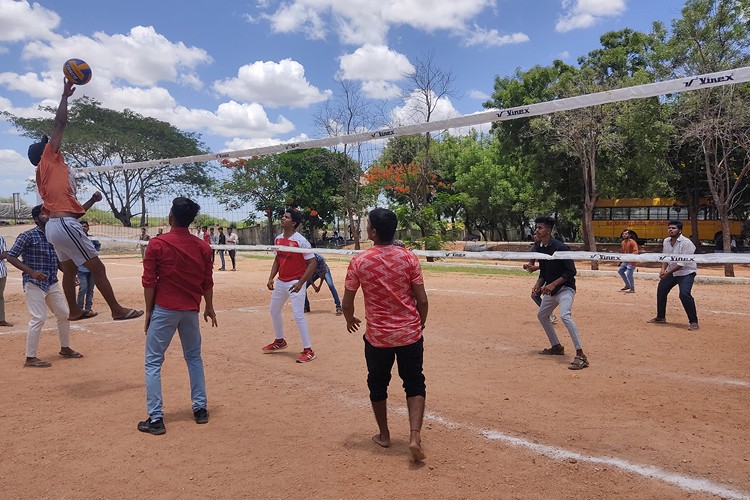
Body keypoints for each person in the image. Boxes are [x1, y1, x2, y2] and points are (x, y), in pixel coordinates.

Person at [28, 77, 142, 322]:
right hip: (64, 226)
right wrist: (64, 96)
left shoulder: (44, 175)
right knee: (97, 268)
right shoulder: (50, 159)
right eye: (49, 145)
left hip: (56, 227)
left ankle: (75, 311)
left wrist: (90, 201)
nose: (54, 144)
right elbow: (60, 123)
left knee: (69, 270)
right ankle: (116, 310)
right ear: (45, 152)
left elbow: (75, 213)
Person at [342, 208, 429, 462]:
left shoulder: (360, 261)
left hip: (378, 336)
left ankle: (384, 434)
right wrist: (418, 325)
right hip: (409, 333)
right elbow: (422, 301)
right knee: (414, 381)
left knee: (377, 383)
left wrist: (349, 318)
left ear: (374, 231)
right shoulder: (409, 258)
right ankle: (414, 436)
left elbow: (347, 303)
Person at [138, 197, 217, 435]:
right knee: (194, 358)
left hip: (165, 309)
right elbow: (207, 281)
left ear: (171, 217)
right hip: (190, 310)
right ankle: (200, 409)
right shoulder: (202, 246)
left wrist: (149, 311)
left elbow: (149, 281)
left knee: (153, 362)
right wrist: (209, 306)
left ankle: (156, 418)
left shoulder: (157, 244)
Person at [5, 205, 83, 367]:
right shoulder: (27, 235)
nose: (47, 215)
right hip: (34, 283)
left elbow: (58, 259)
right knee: (38, 318)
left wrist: (69, 275)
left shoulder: (53, 236)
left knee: (63, 314)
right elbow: (11, 256)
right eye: (43, 213)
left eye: (48, 212)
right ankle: (30, 357)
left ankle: (65, 348)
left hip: (52, 282)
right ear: (35, 219)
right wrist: (31, 272)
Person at [531, 216, 589, 370]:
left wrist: (553, 284)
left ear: (549, 231)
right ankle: (556, 346)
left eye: (540, 228)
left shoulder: (561, 247)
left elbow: (571, 272)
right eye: (537, 227)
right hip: (551, 290)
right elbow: (544, 271)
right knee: (542, 315)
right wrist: (538, 285)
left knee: (565, 316)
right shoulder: (540, 248)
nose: (537, 230)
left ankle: (581, 355)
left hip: (565, 288)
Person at [262, 209, 317, 363]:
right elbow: (278, 260)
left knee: (298, 315)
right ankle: (280, 341)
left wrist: (301, 283)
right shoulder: (278, 239)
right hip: (282, 281)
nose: (282, 218)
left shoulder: (300, 241)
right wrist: (271, 277)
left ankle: (309, 350)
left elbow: (312, 263)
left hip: (295, 282)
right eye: (283, 216)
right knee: (274, 310)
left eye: (286, 217)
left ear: (293, 223)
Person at [648, 220, 699, 331]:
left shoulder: (687, 243)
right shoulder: (666, 241)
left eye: (673, 228)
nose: (670, 230)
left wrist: (667, 273)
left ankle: (693, 322)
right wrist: (662, 270)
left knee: (684, 294)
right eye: (669, 228)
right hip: (671, 271)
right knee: (661, 290)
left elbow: (682, 263)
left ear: (680, 231)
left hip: (686, 272)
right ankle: (660, 317)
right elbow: (665, 257)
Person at [523, 233, 558, 324]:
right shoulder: (534, 248)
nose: (535, 235)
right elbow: (531, 263)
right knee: (535, 294)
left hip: (555, 275)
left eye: (538, 233)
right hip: (544, 275)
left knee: (550, 293)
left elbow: (553, 264)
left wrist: (537, 268)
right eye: (534, 234)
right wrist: (528, 266)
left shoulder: (551, 246)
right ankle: (549, 314)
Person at [76, 220, 101, 313]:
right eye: (81, 226)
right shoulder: (77, 239)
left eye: (85, 226)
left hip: (92, 269)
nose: (83, 228)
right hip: (81, 269)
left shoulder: (92, 238)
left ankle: (88, 308)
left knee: (90, 289)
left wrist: (95, 253)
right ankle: (79, 308)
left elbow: (98, 245)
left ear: (88, 228)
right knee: (83, 288)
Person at [0, 233, 13, 327]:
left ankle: (1, 319)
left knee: (0, 296)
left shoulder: (0, 238)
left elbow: (5, 254)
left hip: (1, 272)